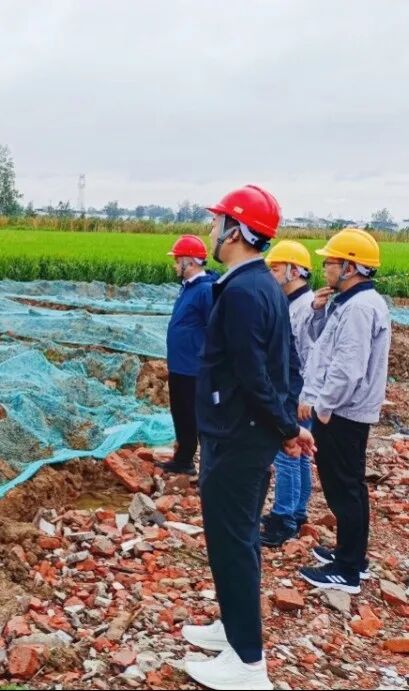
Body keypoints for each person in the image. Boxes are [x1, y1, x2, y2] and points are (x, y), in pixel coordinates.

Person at [181, 185, 315, 691]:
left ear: (236, 231)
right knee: (238, 540)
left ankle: (247, 662)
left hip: (236, 436)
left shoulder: (242, 291)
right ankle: (233, 628)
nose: (213, 231)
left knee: (232, 542)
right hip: (248, 433)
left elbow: (255, 372)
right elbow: (282, 366)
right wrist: (287, 426)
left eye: (218, 223)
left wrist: (286, 428)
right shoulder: (260, 286)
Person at [297, 229, 391, 593]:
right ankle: (351, 556)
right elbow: (326, 347)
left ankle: (348, 569)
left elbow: (347, 367)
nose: (325, 268)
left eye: (330, 262)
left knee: (344, 487)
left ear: (350, 266)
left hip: (343, 413)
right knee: (347, 485)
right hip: (344, 410)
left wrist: (324, 406)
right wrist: (319, 310)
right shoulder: (350, 303)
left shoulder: (359, 308)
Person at [260, 240, 316, 546]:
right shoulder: (293, 304)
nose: (271, 274)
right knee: (301, 456)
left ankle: (284, 519)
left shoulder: (304, 308)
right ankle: (297, 511)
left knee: (287, 456)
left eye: (276, 268)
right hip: (298, 391)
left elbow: (306, 356)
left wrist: (299, 397)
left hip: (297, 393)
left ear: (294, 271)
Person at [159, 235, 217, 475]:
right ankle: (184, 458)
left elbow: (213, 328)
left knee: (197, 416)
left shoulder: (205, 291)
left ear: (189, 262)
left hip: (195, 367)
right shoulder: (188, 288)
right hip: (180, 366)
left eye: (177, 260)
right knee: (181, 413)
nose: (174, 265)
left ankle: (207, 466)